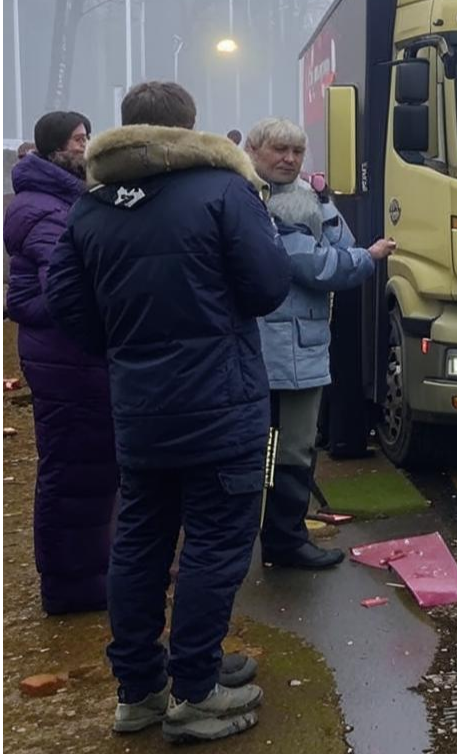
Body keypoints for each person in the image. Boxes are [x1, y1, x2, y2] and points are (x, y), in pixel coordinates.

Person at [45, 82, 292, 743]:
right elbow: (268, 286)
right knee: (215, 544)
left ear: (125, 129)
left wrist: (121, 345)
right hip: (222, 401)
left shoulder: (91, 205)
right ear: (190, 127)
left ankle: (139, 690)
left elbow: (62, 298)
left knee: (139, 540)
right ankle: (196, 690)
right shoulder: (222, 191)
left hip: (140, 406)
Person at [246, 118, 394, 569]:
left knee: (289, 445)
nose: (289, 159)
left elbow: (337, 244)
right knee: (283, 446)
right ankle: (283, 542)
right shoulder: (264, 202)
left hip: (296, 343)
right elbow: (317, 265)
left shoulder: (307, 198)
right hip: (278, 344)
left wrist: (341, 241)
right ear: (253, 150)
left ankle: (277, 537)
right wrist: (366, 258)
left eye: (296, 151)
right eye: (279, 150)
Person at [3, 112, 117, 616]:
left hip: (65, 353)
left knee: (84, 468)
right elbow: (67, 291)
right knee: (76, 470)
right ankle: (74, 587)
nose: (86, 147)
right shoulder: (47, 210)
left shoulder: (56, 200)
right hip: (65, 355)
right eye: (78, 139)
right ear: (53, 149)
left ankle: (87, 575)